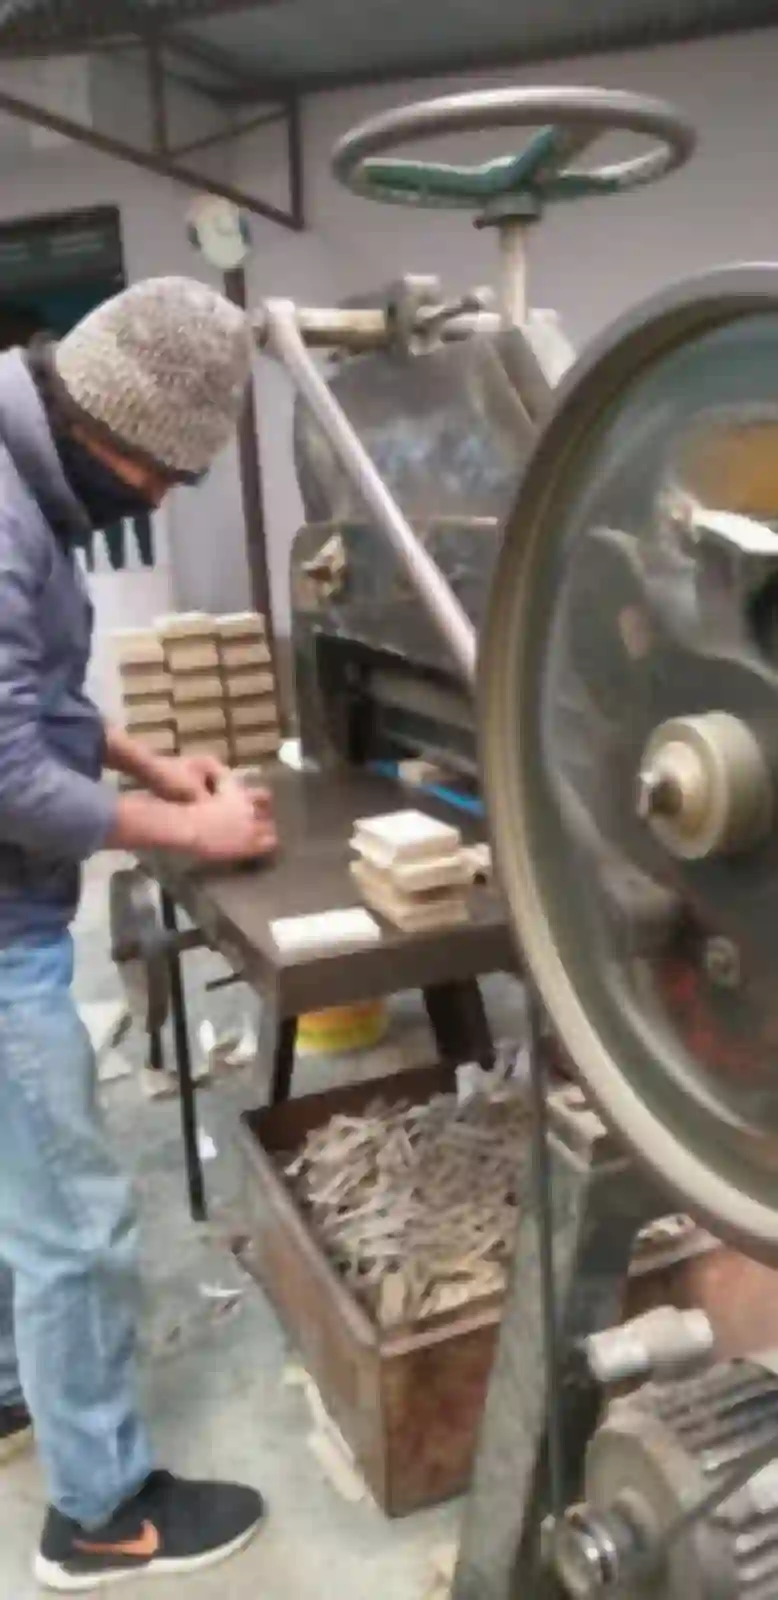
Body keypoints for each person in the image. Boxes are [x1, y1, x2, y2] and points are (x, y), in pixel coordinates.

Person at [0, 277, 277, 1592]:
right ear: (103, 424)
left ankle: (16, 1385)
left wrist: (151, 762)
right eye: (162, 472)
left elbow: (38, 701)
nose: (161, 500)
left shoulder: (31, 481)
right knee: (75, 1223)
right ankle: (100, 1514)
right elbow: (5, 772)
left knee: (19, 1190)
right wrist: (191, 831)